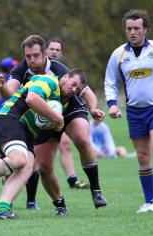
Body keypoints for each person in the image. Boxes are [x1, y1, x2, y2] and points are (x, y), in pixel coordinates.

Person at [0, 35, 107, 215]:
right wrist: (1, 87)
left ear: (44, 52)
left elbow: (86, 91)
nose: (31, 60)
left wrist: (93, 108)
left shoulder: (59, 69)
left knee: (81, 138)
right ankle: (59, 206)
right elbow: (11, 94)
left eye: (35, 55)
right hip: (43, 115)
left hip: (70, 110)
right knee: (44, 167)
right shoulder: (20, 69)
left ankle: (96, 190)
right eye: (28, 56)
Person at [0, 70, 86, 219]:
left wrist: (53, 123)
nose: (74, 90)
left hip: (26, 132)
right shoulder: (49, 81)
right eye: (73, 84)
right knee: (19, 160)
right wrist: (58, 119)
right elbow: (31, 98)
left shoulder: (63, 100)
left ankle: (1, 209)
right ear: (65, 77)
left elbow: (42, 121)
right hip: (11, 118)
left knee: (27, 167)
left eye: (78, 90)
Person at [105, 9, 153, 213]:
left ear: (145, 29)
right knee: (141, 156)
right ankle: (149, 201)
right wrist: (112, 104)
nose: (132, 32)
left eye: (137, 28)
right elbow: (110, 82)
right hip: (134, 112)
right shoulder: (119, 54)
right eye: (129, 28)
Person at [46, 37, 89, 189]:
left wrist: (94, 108)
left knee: (65, 143)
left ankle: (72, 179)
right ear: (45, 50)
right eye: (52, 49)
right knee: (37, 157)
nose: (54, 52)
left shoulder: (65, 72)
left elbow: (85, 91)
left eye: (58, 50)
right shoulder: (37, 67)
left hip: (59, 114)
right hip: (37, 114)